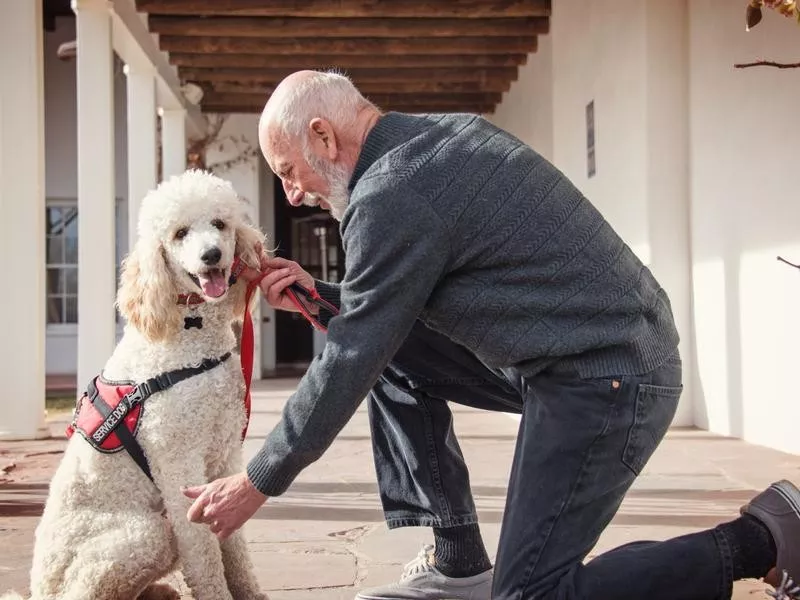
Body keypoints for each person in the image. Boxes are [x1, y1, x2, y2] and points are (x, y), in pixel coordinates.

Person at [181, 69, 800, 600]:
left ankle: (764, 536)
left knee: (531, 591)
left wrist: (257, 480)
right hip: (576, 356)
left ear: (323, 135)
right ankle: (458, 558)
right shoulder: (431, 140)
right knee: (378, 343)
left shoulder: (390, 193)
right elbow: (383, 315)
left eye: (289, 172)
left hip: (609, 378)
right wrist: (323, 300)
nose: (294, 194)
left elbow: (349, 357)